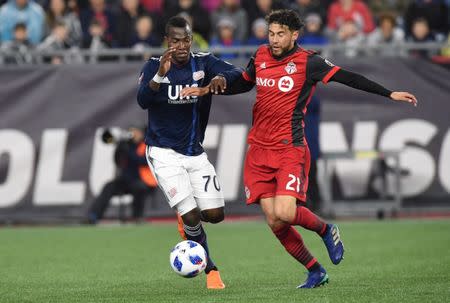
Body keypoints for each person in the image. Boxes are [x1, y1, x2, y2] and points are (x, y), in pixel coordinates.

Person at [181, 9, 417, 289]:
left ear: (294, 35)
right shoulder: (260, 55)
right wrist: (210, 88)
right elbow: (245, 82)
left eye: (280, 34)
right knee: (274, 220)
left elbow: (348, 77)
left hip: (288, 147)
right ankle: (315, 270)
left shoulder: (309, 62)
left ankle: (326, 229)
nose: (274, 39)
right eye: (271, 33)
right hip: (258, 149)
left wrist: (389, 93)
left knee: (285, 211)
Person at [136, 16, 241, 289]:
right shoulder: (152, 66)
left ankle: (188, 220)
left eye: (185, 40)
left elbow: (240, 75)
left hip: (194, 152)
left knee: (215, 215)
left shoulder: (203, 62)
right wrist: (160, 74)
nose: (181, 46)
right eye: (175, 41)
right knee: (191, 215)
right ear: (166, 41)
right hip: (163, 152)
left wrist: (219, 78)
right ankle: (211, 269)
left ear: (191, 40)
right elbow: (143, 101)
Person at [87, 127, 158, 224]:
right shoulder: (127, 144)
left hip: (144, 181)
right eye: (132, 131)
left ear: (141, 133)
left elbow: (143, 161)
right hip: (126, 181)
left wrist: (128, 151)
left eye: (135, 131)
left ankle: (137, 217)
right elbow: (118, 162)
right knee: (109, 187)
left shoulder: (147, 145)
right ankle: (94, 215)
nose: (133, 134)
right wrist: (119, 148)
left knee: (139, 188)